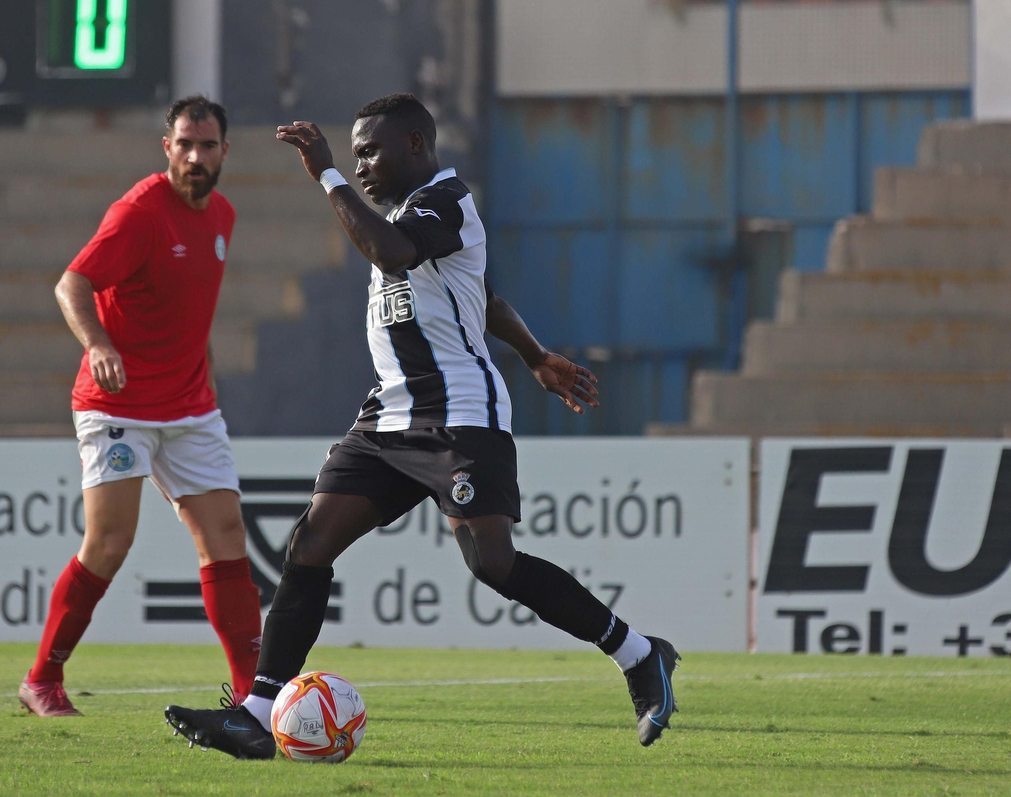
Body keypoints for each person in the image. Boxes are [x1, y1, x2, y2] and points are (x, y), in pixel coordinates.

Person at [164, 94, 678, 757]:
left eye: (371, 151)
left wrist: (327, 174)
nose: (362, 165)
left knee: (493, 562)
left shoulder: (446, 200)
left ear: (415, 145)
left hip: (460, 416)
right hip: (388, 417)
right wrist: (535, 354)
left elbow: (389, 253)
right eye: (354, 156)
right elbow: (483, 297)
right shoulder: (410, 213)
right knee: (310, 541)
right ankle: (259, 711)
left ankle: (640, 654)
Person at [18, 96, 262, 717]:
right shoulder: (139, 213)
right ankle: (43, 678)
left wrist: (196, 370)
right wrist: (97, 343)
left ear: (224, 153)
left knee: (228, 536)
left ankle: (251, 694)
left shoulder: (223, 217)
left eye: (207, 146)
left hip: (189, 407)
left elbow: (185, 310)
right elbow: (71, 282)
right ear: (167, 147)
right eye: (184, 144)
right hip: (119, 401)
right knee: (109, 542)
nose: (194, 157)